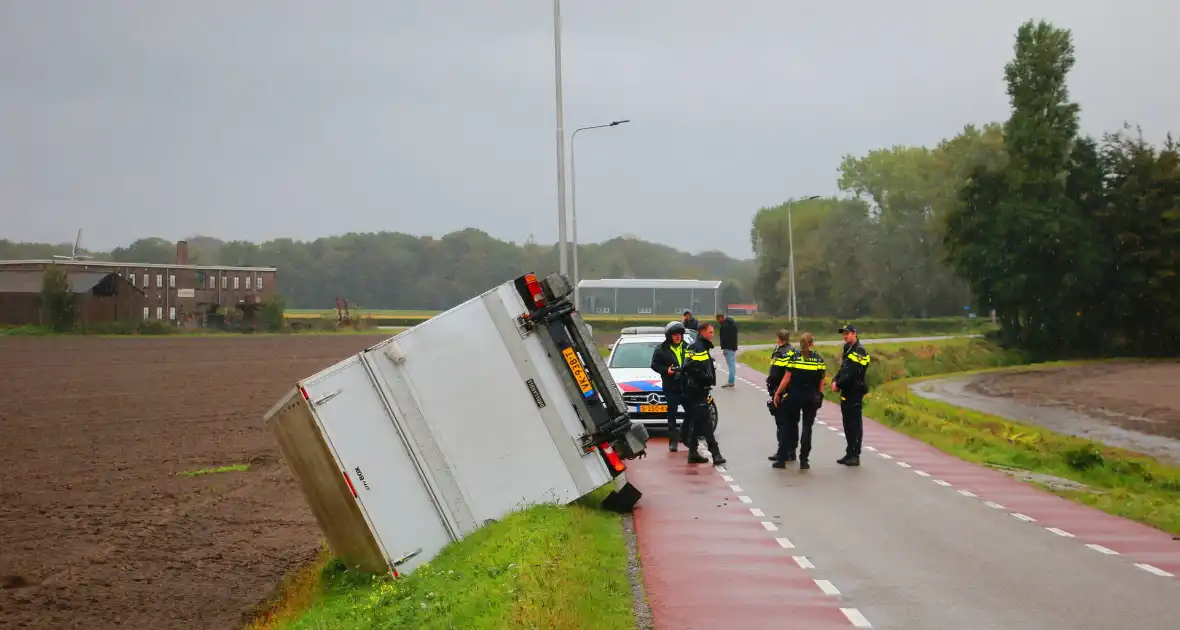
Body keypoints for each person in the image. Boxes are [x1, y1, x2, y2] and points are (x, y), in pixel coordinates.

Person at [772, 332, 826, 470]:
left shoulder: (795, 358)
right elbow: (821, 380)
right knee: (807, 428)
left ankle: (782, 459)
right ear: (812, 344)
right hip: (811, 397)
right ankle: (804, 460)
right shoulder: (819, 360)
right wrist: (820, 395)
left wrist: (778, 392)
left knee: (788, 426)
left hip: (794, 397)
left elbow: (787, 377)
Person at [682, 322, 726, 465]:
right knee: (706, 421)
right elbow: (687, 366)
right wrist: (704, 376)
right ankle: (716, 454)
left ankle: (693, 453)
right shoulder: (695, 347)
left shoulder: (703, 347)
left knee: (698, 421)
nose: (713, 335)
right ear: (702, 332)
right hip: (696, 390)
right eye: (710, 332)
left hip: (701, 389)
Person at [831, 324, 871, 466]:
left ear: (854, 334)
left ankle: (855, 455)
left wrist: (839, 384)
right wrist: (835, 380)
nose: (845, 336)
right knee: (847, 423)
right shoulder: (847, 349)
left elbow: (854, 373)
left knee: (854, 423)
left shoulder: (859, 351)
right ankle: (849, 453)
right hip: (846, 391)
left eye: (847, 333)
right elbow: (843, 369)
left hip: (855, 391)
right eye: (844, 334)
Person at [650, 322, 689, 452]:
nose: (678, 337)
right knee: (672, 415)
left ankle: (684, 434)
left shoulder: (687, 347)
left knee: (691, 412)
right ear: (669, 336)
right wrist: (667, 370)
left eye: (680, 334)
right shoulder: (661, 349)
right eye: (675, 335)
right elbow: (654, 365)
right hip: (671, 386)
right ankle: (673, 441)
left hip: (686, 386)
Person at [764, 330, 797, 461]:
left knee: (782, 424)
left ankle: (782, 452)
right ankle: (792, 450)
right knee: (793, 423)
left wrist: (771, 386)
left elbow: (775, 374)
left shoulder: (779, 353)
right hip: (794, 391)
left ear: (779, 339)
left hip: (781, 390)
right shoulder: (794, 351)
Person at [715, 313, 739, 387]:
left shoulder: (725, 326)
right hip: (732, 347)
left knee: (731, 365)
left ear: (721, 318)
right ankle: (731, 381)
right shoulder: (732, 323)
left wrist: (724, 346)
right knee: (731, 365)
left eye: (718, 319)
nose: (718, 321)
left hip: (728, 347)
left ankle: (731, 382)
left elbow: (724, 338)